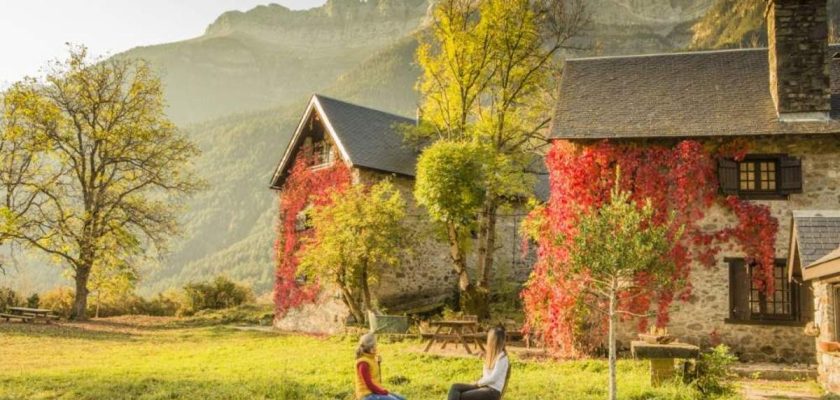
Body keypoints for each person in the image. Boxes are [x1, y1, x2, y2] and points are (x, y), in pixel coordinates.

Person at [447, 327, 510, 400]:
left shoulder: (502, 357)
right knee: (455, 387)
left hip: (492, 392)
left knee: (462, 396)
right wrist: (485, 361)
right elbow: (486, 375)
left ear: (492, 341)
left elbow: (493, 378)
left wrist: (477, 383)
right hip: (484, 386)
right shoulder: (491, 355)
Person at [355, 333, 406, 400]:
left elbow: (374, 376)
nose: (376, 347)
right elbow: (369, 384)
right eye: (374, 345)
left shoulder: (371, 358)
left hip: (374, 391)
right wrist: (382, 392)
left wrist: (378, 363)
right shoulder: (363, 363)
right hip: (366, 395)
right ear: (370, 348)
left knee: (402, 398)